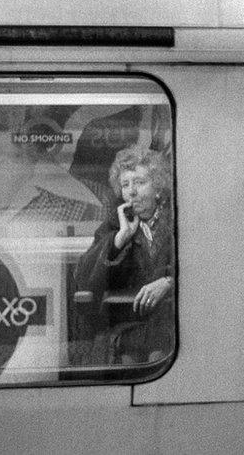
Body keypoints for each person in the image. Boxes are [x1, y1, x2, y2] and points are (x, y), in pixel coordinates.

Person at [75, 145, 174, 364]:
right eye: (125, 184)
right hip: (126, 327)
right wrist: (119, 239)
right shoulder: (114, 225)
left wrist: (169, 282)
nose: (131, 192)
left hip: (171, 325)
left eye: (139, 183)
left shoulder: (177, 219)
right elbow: (83, 277)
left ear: (158, 188)